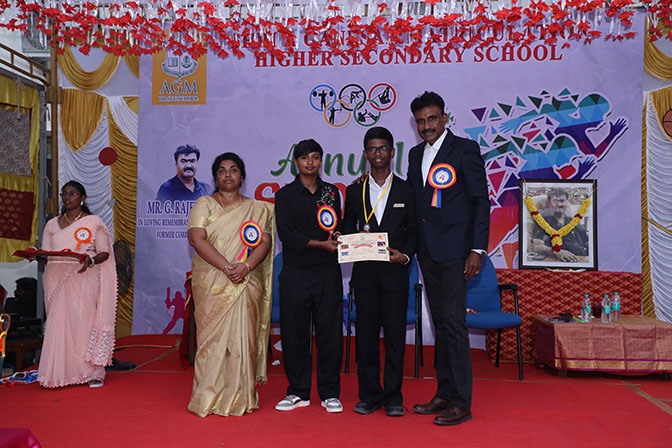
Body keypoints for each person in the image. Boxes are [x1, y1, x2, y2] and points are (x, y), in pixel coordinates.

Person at [407, 92, 490, 426]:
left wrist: (477, 249)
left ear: (444, 118)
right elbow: (415, 202)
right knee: (440, 323)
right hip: (427, 252)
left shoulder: (465, 150)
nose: (427, 125)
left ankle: (461, 402)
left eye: (432, 118)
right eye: (421, 121)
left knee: (454, 324)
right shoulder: (414, 154)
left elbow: (480, 201)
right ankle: (443, 393)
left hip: (457, 251)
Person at [186, 152, 274, 417]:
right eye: (222, 170)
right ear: (215, 176)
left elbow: (265, 242)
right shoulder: (204, 204)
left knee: (242, 341)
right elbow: (196, 238)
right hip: (213, 280)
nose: (227, 174)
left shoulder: (258, 209)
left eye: (233, 170)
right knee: (211, 342)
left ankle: (240, 397)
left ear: (242, 177)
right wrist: (226, 267)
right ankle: (207, 397)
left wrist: (245, 267)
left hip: (246, 280)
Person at [342, 127, 417, 417]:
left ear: (392, 152)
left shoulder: (406, 189)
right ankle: (370, 395)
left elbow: (414, 232)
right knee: (366, 339)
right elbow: (347, 225)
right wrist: (346, 238)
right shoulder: (354, 190)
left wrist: (405, 256)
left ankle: (394, 396)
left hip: (395, 275)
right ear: (365, 154)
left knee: (395, 339)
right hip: (364, 276)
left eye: (383, 148)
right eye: (372, 149)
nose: (378, 154)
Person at [274, 139, 344, 414]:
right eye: (305, 158)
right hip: (296, 273)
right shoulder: (285, 195)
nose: (310, 162)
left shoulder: (331, 192)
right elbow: (287, 235)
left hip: (327, 272)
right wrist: (320, 244)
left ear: (320, 161)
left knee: (329, 334)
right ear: (296, 163)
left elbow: (335, 225)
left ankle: (330, 393)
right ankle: (298, 391)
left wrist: (338, 237)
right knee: (295, 334)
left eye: (315, 157)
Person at [36, 181, 117, 388]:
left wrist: (91, 261)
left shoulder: (93, 222)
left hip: (83, 276)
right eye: (64, 194)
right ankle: (60, 374)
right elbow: (46, 253)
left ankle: (92, 372)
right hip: (55, 277)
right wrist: (35, 256)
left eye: (72, 193)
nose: (67, 197)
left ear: (82, 197)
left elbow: (104, 252)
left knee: (83, 323)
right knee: (58, 325)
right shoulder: (52, 224)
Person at [532, 188, 589, 262]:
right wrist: (556, 252)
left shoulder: (574, 221)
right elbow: (538, 246)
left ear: (566, 202)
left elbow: (587, 242)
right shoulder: (542, 221)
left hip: (582, 259)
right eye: (555, 201)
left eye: (562, 201)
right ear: (549, 203)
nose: (559, 204)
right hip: (558, 261)